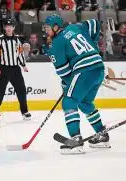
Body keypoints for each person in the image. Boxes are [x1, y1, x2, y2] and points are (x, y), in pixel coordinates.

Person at [44, 14, 110, 154]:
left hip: (84, 70)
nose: (46, 31)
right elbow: (94, 24)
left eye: (48, 28)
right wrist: (92, 44)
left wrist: (67, 86)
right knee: (85, 103)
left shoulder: (56, 43)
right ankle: (102, 135)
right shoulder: (75, 27)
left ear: (56, 27)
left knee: (69, 101)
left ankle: (75, 140)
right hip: (98, 67)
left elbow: (64, 72)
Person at [0, 18, 31, 121]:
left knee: (21, 90)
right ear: (4, 27)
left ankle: (25, 111)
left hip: (15, 69)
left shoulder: (17, 39)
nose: (9, 28)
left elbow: (20, 53)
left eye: (11, 26)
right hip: (4, 69)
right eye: (7, 26)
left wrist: (23, 65)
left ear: (13, 27)